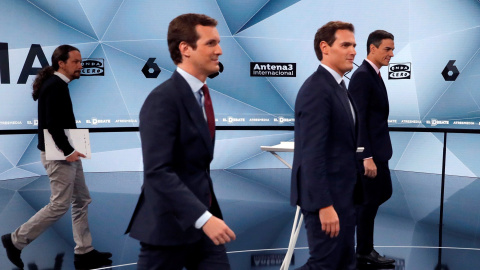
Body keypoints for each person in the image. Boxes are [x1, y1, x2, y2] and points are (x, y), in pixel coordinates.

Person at [125, 13, 236, 270]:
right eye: (211, 43)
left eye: (218, 43)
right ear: (185, 49)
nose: (219, 50)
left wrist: (206, 217)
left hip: (203, 227)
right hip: (167, 229)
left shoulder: (201, 95)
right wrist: (204, 218)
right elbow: (157, 173)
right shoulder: (163, 99)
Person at [1, 45, 112, 269]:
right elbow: (52, 124)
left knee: (81, 200)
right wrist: (68, 151)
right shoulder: (54, 86)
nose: (81, 66)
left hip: (66, 152)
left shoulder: (57, 84)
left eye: (81, 62)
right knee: (59, 205)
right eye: (76, 62)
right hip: (60, 155)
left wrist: (70, 150)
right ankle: (15, 240)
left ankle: (84, 252)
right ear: (61, 63)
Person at [291, 21, 360, 269]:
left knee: (343, 263)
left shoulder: (340, 87)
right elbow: (312, 154)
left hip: (344, 196)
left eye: (354, 45)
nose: (353, 51)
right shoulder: (316, 90)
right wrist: (324, 205)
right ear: (325, 47)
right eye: (345, 45)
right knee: (325, 265)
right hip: (327, 200)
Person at [348, 30, 396, 266]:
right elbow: (358, 119)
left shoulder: (374, 74)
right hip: (370, 154)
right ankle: (364, 250)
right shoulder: (362, 76)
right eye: (387, 49)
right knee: (368, 201)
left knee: (380, 194)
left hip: (379, 151)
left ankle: (363, 247)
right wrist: (365, 155)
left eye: (392, 49)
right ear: (373, 49)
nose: (392, 54)